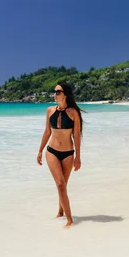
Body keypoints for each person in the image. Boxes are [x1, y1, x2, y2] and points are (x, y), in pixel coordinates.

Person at [37, 82, 84, 228]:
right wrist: (39, 150)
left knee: (63, 185)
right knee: (60, 183)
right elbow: (47, 132)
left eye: (58, 92)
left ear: (65, 94)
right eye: (55, 91)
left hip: (68, 154)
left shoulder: (73, 113)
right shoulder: (49, 110)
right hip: (52, 151)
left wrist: (78, 157)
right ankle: (70, 219)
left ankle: (60, 211)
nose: (55, 94)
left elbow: (76, 136)